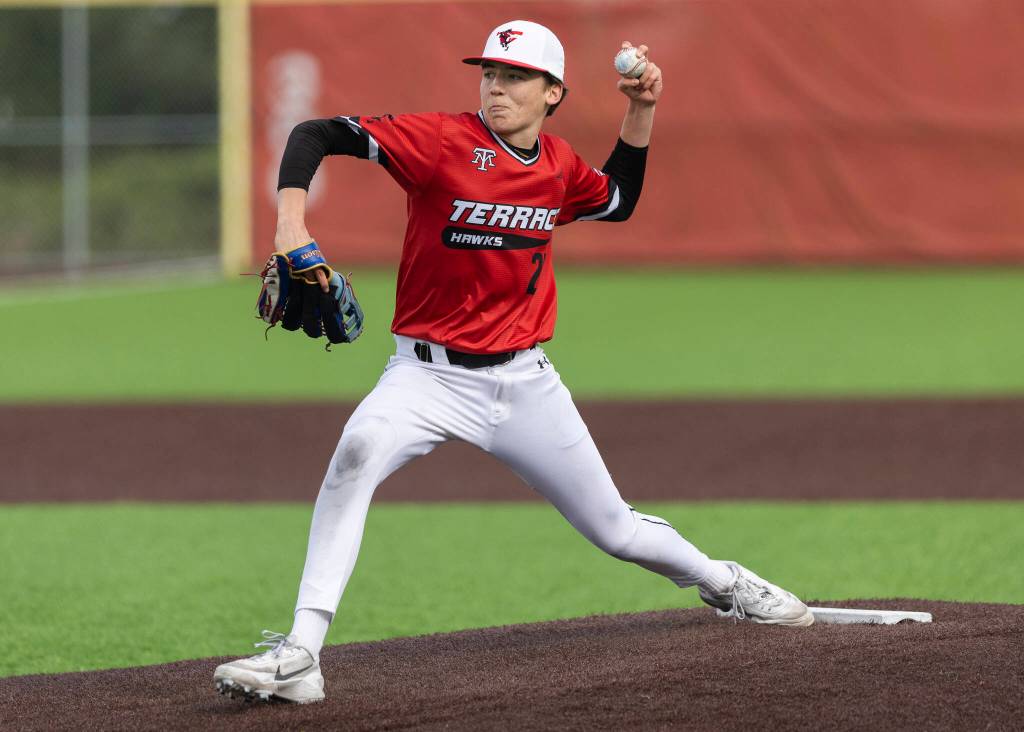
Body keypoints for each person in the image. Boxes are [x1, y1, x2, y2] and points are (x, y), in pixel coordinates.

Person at [214, 19, 813, 705]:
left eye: (516, 76)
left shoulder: (556, 167)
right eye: (490, 73)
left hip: (525, 383)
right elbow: (315, 134)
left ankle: (726, 582)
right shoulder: (442, 142)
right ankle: (301, 655)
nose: (497, 86)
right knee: (356, 452)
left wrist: (642, 108)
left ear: (553, 92)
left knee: (615, 529)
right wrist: (292, 225)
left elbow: (618, 200)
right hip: (425, 376)